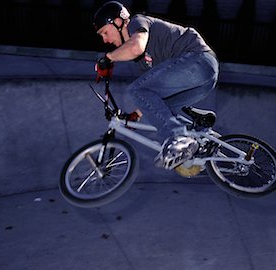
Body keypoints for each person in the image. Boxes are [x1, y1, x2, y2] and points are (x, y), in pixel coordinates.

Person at [93, 1, 219, 169]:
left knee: (136, 89)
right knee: (161, 110)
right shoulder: (143, 62)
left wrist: (108, 58)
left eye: (105, 33)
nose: (105, 40)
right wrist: (135, 115)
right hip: (203, 79)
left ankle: (179, 138)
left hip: (197, 60)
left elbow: (136, 47)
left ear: (118, 22)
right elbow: (151, 95)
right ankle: (202, 143)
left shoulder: (136, 23)